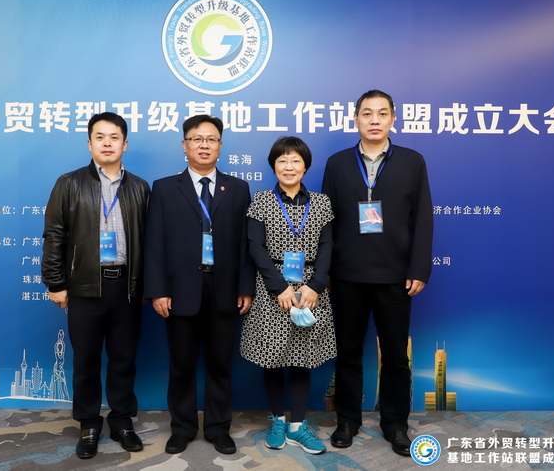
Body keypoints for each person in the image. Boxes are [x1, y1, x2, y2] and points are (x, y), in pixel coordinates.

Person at [321, 89, 433, 457]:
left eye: (382, 113)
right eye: (367, 113)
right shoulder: (338, 163)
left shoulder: (412, 162)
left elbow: (423, 219)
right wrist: (326, 273)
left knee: (396, 356)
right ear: (355, 119)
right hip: (347, 276)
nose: (374, 120)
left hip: (395, 277)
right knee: (348, 353)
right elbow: (326, 223)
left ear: (392, 119)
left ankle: (395, 424)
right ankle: (347, 420)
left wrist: (418, 268)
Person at [144, 114, 256, 455]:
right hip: (180, 291)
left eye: (211, 139)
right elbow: (154, 243)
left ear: (220, 146)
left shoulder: (237, 188)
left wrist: (245, 287)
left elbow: (246, 243)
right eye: (197, 139)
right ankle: (182, 428)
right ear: (185, 145)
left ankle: (219, 428)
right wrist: (158, 290)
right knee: (181, 364)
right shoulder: (165, 188)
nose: (204, 145)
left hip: (225, 290)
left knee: (221, 363)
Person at [42, 112, 150, 459]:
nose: (107, 143)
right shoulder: (69, 183)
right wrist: (56, 283)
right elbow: (54, 236)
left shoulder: (139, 187)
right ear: (89, 143)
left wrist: (147, 286)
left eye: (114, 137)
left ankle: (121, 421)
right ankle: (88, 423)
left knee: (124, 359)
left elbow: (150, 242)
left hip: (126, 287)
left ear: (125, 144)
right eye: (100, 137)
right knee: (86, 360)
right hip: (85, 286)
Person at [240, 136, 336, 455]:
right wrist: (279, 287)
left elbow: (327, 247)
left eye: (296, 160)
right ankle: (278, 420)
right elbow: (255, 247)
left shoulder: (321, 203)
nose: (289, 166)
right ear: (274, 166)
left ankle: (297, 426)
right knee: (272, 357)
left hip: (310, 289)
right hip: (273, 288)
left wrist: (315, 286)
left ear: (305, 166)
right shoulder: (261, 201)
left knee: (301, 358)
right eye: (282, 160)